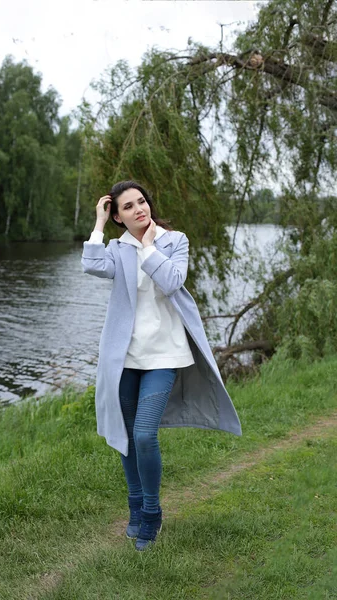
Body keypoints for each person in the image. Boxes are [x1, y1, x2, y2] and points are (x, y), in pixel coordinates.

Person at [81, 180, 242, 551]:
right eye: (127, 207)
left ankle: (152, 513)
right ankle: (135, 507)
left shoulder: (175, 240)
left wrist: (150, 246)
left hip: (165, 354)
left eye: (142, 201)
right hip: (125, 357)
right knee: (125, 439)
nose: (139, 209)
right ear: (119, 216)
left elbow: (172, 281)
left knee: (143, 434)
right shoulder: (118, 249)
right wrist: (98, 225)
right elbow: (90, 265)